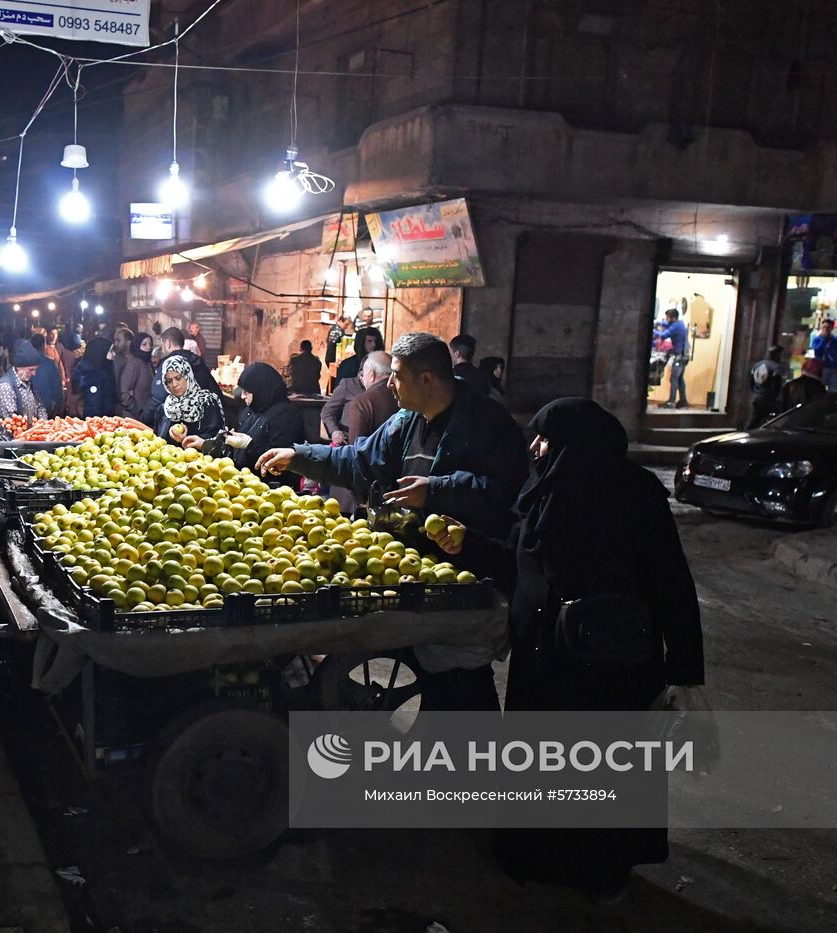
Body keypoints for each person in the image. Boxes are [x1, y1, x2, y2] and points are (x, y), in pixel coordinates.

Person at [427, 397, 704, 897]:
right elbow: (518, 559)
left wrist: (685, 671)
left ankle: (601, 870)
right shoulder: (543, 492)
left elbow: (672, 585)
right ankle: (536, 856)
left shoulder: (636, 495)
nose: (535, 447)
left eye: (545, 438)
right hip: (546, 659)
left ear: (577, 443)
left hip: (608, 665)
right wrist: (466, 542)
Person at [257, 333, 528, 712]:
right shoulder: (406, 422)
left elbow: (508, 491)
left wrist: (436, 490)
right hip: (417, 570)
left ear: (427, 380)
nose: (388, 384)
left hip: (468, 572)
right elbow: (358, 461)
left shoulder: (487, 422)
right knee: (435, 676)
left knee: (463, 681)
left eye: (397, 375)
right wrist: (298, 456)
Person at [187, 362, 305, 485]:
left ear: (261, 390)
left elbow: (279, 462)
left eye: (247, 392)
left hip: (266, 488)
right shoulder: (251, 410)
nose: (243, 396)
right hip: (239, 482)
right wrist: (206, 444)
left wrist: (249, 445)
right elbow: (235, 448)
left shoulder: (287, 417)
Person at [140, 326, 222, 426]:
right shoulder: (198, 361)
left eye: (163, 345)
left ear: (168, 343)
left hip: (176, 425)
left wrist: (144, 419)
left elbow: (159, 396)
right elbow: (214, 390)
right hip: (200, 422)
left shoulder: (169, 364)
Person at [157, 354, 225, 443]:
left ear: (187, 376)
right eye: (169, 381)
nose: (174, 385)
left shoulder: (206, 402)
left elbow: (217, 437)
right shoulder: (166, 407)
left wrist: (187, 439)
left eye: (178, 378)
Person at [345, 350, 399, 443]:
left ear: (371, 374)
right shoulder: (406, 397)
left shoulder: (363, 402)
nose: (362, 379)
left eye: (363, 374)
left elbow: (355, 450)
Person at [0, 343, 49, 421]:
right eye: (31, 369)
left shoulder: (27, 381)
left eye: (35, 369)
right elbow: (12, 420)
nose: (34, 373)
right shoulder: (5, 386)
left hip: (35, 430)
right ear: (19, 368)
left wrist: (44, 425)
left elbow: (40, 406)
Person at [112, 327, 152, 419]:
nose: (148, 347)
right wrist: (137, 410)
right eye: (144, 344)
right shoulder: (133, 364)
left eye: (150, 344)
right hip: (133, 416)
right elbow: (124, 392)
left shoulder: (147, 363)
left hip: (146, 413)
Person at [72, 335, 118, 417]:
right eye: (111, 351)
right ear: (100, 352)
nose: (114, 354)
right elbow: (93, 408)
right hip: (100, 424)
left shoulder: (105, 368)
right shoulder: (93, 378)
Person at [653, 308, 689, 408]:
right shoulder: (679, 323)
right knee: (680, 379)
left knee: (674, 378)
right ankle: (683, 402)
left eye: (667, 318)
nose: (666, 319)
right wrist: (658, 323)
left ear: (673, 318)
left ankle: (671, 402)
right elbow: (666, 324)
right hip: (684, 356)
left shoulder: (676, 327)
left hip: (679, 357)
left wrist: (652, 330)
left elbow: (664, 335)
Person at [320, 370, 364, 446]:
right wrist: (334, 431)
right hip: (347, 441)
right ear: (360, 374)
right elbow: (327, 411)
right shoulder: (348, 385)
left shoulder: (383, 388)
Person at [747, 345, 785, 429]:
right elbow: (776, 385)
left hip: (756, 396)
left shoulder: (757, 365)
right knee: (771, 422)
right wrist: (775, 398)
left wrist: (755, 392)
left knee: (754, 420)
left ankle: (747, 434)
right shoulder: (776, 367)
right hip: (767, 399)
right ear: (777, 354)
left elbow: (751, 383)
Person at [29, 334, 65, 416]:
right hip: (46, 406)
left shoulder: (25, 364)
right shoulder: (49, 364)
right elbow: (57, 387)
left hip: (27, 407)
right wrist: (60, 405)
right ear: (43, 345)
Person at [811, 319, 837, 392]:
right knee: (819, 390)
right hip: (821, 369)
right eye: (824, 327)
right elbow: (817, 351)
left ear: (832, 328)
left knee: (833, 391)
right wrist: (823, 339)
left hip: (833, 369)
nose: (826, 329)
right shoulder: (817, 339)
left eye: (828, 327)